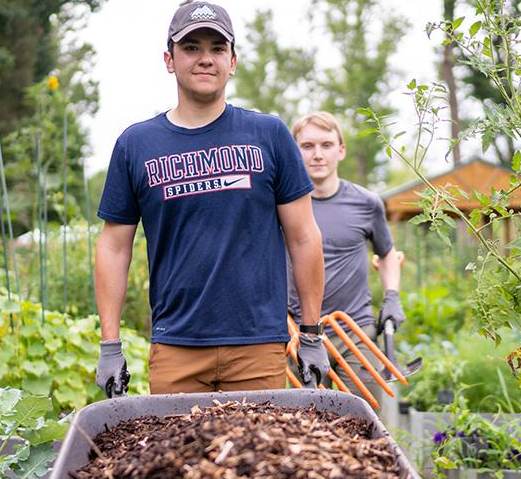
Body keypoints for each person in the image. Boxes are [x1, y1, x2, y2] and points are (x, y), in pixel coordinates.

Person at [94, 2, 329, 397]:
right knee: (175, 459)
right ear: (169, 59)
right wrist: (109, 346)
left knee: (262, 458)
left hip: (258, 347)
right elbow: (114, 247)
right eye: (192, 48)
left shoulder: (268, 135)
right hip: (176, 349)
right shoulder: (136, 144)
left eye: (217, 48)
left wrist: (310, 334)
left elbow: (304, 237)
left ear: (233, 61)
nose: (206, 59)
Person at [287, 111, 405, 400]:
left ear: (341, 150)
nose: (317, 155)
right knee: (304, 427)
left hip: (355, 330)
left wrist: (392, 297)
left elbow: (387, 254)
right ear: (294, 150)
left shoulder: (367, 203)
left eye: (326, 145)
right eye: (307, 146)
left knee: (366, 420)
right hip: (298, 333)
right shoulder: (283, 205)